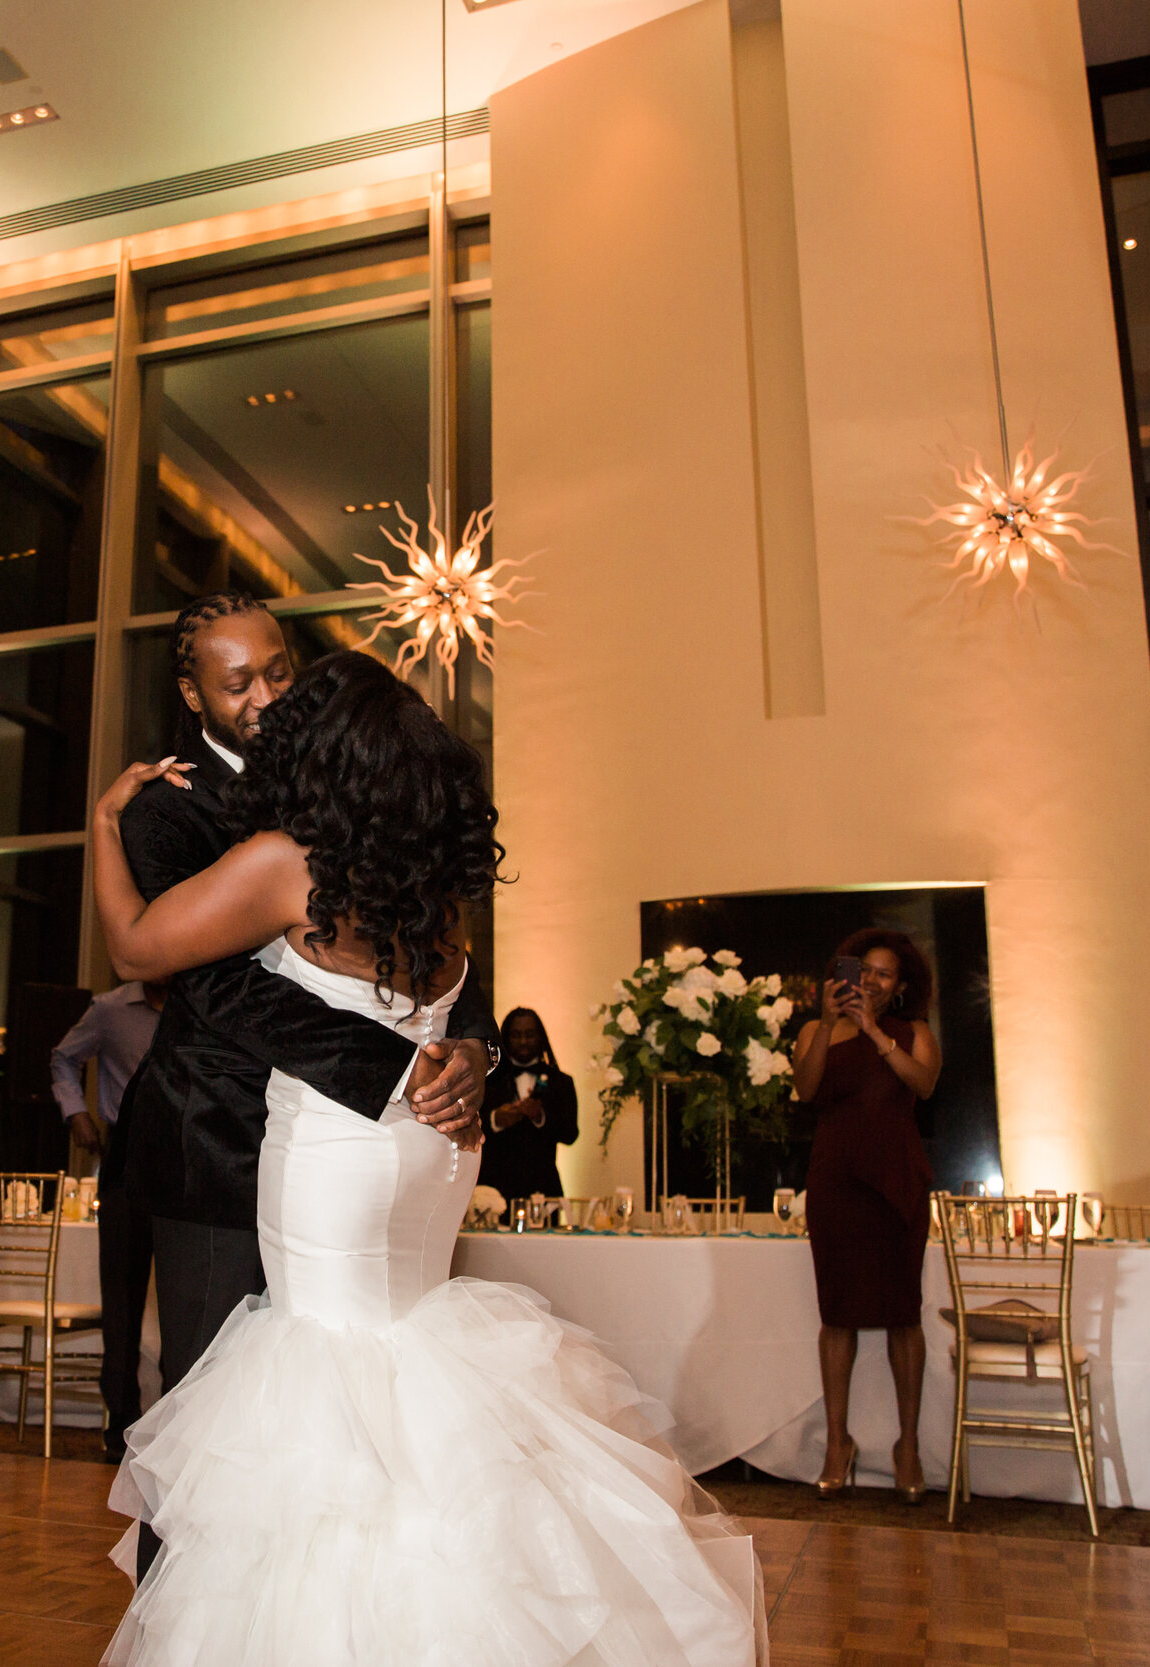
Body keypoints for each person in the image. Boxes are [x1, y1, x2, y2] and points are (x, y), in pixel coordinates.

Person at [87, 651, 760, 1664]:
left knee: (330, 1370)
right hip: (434, 1153)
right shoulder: (429, 880)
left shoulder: (287, 861)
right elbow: (448, 1007)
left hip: (341, 1156)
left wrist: (101, 827)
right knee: (410, 1362)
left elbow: (137, 952)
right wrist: (478, 1053)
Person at [108, 597, 494, 1566]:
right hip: (215, 1140)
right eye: (239, 682)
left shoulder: (329, 804)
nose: (267, 696)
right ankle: (181, 1612)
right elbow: (208, 984)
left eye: (279, 671)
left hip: (334, 1153)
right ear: (193, 691)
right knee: (210, 1417)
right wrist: (401, 1062)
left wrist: (472, 1049)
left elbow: (447, 969)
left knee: (329, 1409)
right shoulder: (170, 806)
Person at [790, 928, 943, 1505]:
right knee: (838, 1315)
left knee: (904, 1314)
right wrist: (830, 1024)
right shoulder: (815, 1031)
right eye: (865, 971)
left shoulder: (915, 1033)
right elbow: (805, 1090)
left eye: (884, 974)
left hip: (898, 1183)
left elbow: (923, 1084)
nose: (872, 981)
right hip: (835, 1185)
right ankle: (837, 1443)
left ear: (900, 985)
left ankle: (908, 1448)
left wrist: (876, 1032)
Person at [50, 978, 165, 1459]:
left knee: (185, 1298)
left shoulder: (198, 1000)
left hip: (185, 1153)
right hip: (123, 1153)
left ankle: (178, 1429)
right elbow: (62, 1057)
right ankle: (120, 1425)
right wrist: (75, 1111)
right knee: (120, 1297)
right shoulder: (111, 1008)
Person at [478, 1006, 579, 1202]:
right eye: (516, 1035)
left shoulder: (561, 1082)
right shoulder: (487, 1081)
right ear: (505, 1038)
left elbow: (570, 1134)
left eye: (529, 1034)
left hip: (544, 1189)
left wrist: (540, 1117)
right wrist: (495, 1119)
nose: (523, 1041)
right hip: (494, 1192)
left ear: (540, 1037)